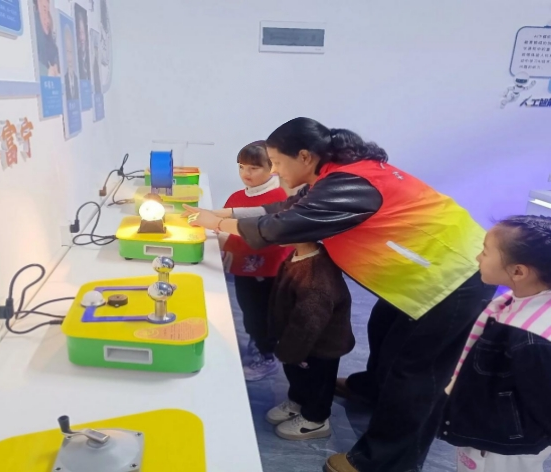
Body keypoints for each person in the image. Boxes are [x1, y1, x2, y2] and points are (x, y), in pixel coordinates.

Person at [184, 117, 497, 472]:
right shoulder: (334, 176)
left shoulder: (349, 184)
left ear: (304, 156)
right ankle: (369, 389)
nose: (274, 171)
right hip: (428, 272)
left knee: (415, 374)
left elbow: (280, 226)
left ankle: (382, 461)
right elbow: (283, 209)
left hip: (455, 277)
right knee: (384, 330)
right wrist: (215, 213)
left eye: (277, 162)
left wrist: (215, 224)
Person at [440, 215, 551, 472]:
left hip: (503, 443)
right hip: (494, 426)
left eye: (485, 252)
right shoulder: (521, 300)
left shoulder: (532, 338)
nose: (478, 258)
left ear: (518, 271)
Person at [266, 241, 354, 441]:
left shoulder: (317, 278)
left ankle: (315, 419)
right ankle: (298, 401)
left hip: (320, 346)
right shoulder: (300, 256)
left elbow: (308, 321)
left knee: (318, 383)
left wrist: (289, 351)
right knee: (297, 375)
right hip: (298, 340)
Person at [219, 141, 291, 381]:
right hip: (244, 268)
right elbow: (225, 225)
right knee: (249, 310)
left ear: (272, 168)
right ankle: (256, 340)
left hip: (267, 271)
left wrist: (223, 240)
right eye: (241, 167)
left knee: (263, 314)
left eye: (253, 168)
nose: (245, 173)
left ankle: (267, 356)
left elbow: (267, 239)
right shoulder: (238, 196)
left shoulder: (279, 197)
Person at [33, 0, 60, 77]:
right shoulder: (34, 21)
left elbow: (55, 53)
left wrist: (56, 66)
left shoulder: (50, 42)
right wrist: (46, 71)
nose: (47, 22)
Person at [63, 25, 79, 101]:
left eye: (71, 52)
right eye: (67, 52)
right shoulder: (63, 79)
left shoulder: (77, 80)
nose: (69, 58)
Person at [75, 9, 91, 81]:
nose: (81, 38)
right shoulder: (76, 57)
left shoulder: (90, 55)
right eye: (79, 33)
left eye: (82, 33)